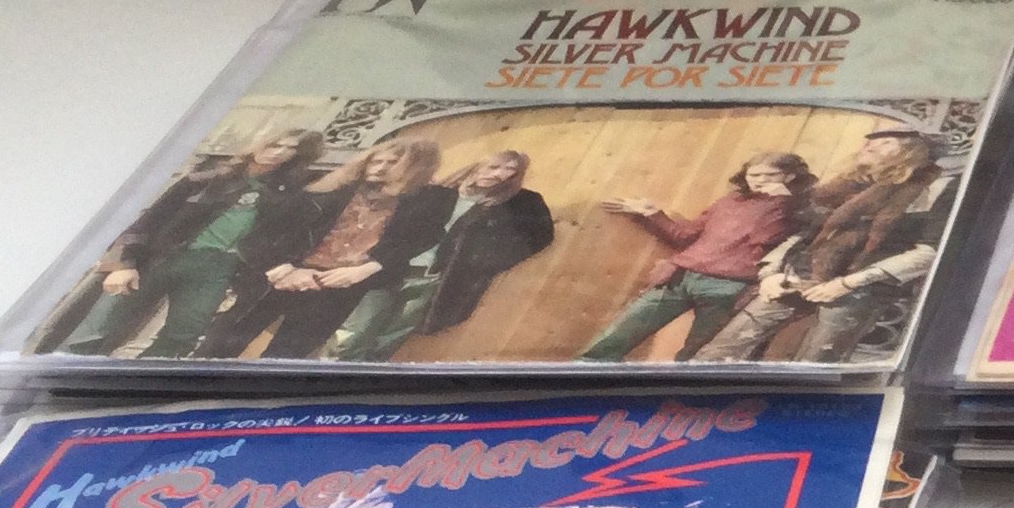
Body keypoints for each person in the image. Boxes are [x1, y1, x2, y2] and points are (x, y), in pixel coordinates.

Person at [690, 127, 947, 365]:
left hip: (860, 289)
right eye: (870, 141)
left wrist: (847, 284)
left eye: (886, 142)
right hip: (796, 277)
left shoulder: (932, 189)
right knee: (716, 354)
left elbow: (929, 253)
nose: (870, 146)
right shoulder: (844, 186)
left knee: (815, 365)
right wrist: (771, 273)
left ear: (913, 151)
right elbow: (804, 234)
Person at [57, 130, 326, 358]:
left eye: (289, 150)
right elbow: (149, 221)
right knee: (97, 328)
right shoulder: (204, 178)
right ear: (260, 142)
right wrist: (125, 263)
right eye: (275, 144)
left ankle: (137, 384)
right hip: (162, 257)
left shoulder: (284, 196)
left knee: (182, 337)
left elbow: (287, 230)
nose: (278, 153)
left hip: (217, 268)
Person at [207, 136, 448, 359]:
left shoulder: (424, 202)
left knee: (287, 356)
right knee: (223, 343)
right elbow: (259, 235)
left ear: (415, 167)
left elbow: (423, 238)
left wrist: (367, 268)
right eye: (376, 160)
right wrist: (281, 268)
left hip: (337, 287)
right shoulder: (327, 190)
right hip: (282, 277)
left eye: (393, 162)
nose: (380, 167)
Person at [578, 153, 815, 361]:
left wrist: (781, 202)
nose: (760, 180)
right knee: (616, 336)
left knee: (697, 354)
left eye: (769, 175)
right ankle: (584, 375)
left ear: (789, 176)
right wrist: (652, 213)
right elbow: (685, 236)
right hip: (680, 276)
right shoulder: (729, 201)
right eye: (754, 175)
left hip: (729, 287)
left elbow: (766, 239)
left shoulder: (798, 208)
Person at [325, 149, 554, 361]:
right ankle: (330, 373)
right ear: (478, 165)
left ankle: (364, 379)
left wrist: (482, 262)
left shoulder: (519, 203)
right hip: (389, 271)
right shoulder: (434, 193)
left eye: (510, 171)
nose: (499, 175)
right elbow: (390, 228)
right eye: (494, 167)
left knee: (389, 339)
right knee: (354, 332)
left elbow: (538, 236)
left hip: (434, 280)